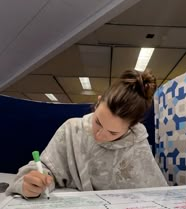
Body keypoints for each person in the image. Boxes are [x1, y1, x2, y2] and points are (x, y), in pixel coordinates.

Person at [6, 69, 167, 198]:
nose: (100, 135)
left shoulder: (137, 142)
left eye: (112, 132)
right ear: (97, 103)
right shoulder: (72, 129)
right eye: (98, 122)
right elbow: (44, 168)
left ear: (132, 126)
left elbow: (156, 194)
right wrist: (33, 183)